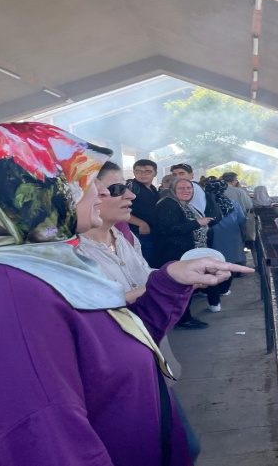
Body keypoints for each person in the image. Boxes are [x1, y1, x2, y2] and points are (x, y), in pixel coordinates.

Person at [0, 122, 251, 465]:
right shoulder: (6, 290)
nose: (101, 194)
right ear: (30, 195)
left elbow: (112, 346)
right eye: (81, 183)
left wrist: (170, 281)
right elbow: (43, 437)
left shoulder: (48, 266)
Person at [77, 160, 201, 461]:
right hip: (117, 374)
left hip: (152, 359)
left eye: (128, 188)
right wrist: (167, 281)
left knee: (181, 447)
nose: (130, 196)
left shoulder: (124, 237)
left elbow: (146, 277)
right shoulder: (71, 252)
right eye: (118, 189)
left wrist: (182, 275)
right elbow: (91, 311)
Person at [154, 177, 215, 329]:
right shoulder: (168, 204)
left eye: (189, 188)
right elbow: (169, 229)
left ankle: (183, 317)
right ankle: (181, 319)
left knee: (184, 286)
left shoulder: (181, 204)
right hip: (173, 253)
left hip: (182, 252)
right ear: (173, 190)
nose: (186, 191)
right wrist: (197, 223)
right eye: (181, 188)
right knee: (179, 286)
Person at [202, 179, 247, 312]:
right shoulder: (232, 203)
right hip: (231, 237)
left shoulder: (204, 205)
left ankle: (212, 296)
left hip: (212, 237)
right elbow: (241, 219)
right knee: (229, 263)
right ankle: (224, 289)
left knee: (211, 266)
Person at [126, 158, 161, 267]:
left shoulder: (153, 188)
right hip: (138, 233)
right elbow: (117, 209)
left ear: (155, 173)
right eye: (139, 171)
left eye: (148, 171)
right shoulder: (130, 187)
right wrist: (141, 223)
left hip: (153, 232)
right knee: (144, 263)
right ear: (134, 172)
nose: (143, 174)